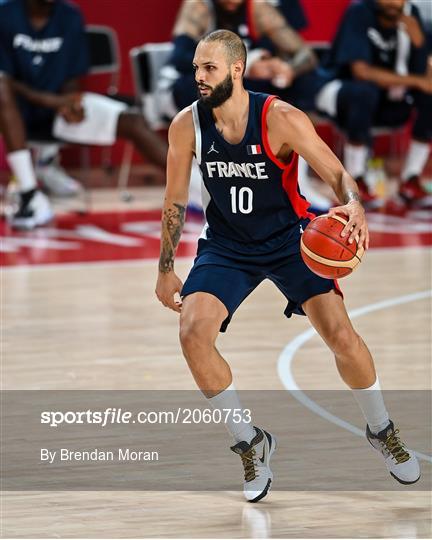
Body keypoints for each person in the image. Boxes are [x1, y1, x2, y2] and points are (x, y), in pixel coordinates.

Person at [155, 30, 420, 502]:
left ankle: (381, 429)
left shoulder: (278, 117)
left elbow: (336, 171)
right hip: (227, 246)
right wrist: (165, 267)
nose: (199, 76)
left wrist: (354, 203)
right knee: (193, 334)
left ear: (237, 70)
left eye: (209, 68)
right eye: (196, 67)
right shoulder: (186, 125)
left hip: (291, 240)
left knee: (342, 336)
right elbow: (175, 200)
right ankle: (250, 443)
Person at [0, 0, 167, 230]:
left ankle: (205, 189)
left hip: (56, 111)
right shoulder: (5, 13)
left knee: (133, 122)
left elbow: (72, 75)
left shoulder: (69, 15)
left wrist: (71, 103)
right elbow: (4, 79)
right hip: (13, 114)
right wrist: (50, 100)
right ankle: (29, 193)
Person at [160, 0, 330, 213]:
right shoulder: (199, 7)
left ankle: (296, 178)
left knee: (301, 85)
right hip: (183, 88)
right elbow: (181, 58)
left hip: (234, 88)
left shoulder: (257, 9)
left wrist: (288, 69)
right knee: (212, 85)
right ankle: (198, 181)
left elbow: (305, 55)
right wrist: (246, 65)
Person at [315, 0, 432, 212]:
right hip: (343, 93)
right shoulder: (359, 11)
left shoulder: (411, 14)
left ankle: (411, 180)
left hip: (389, 97)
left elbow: (423, 74)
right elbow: (361, 72)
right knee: (364, 91)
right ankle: (354, 181)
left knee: (429, 95)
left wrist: (419, 45)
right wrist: (416, 82)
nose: (393, 2)